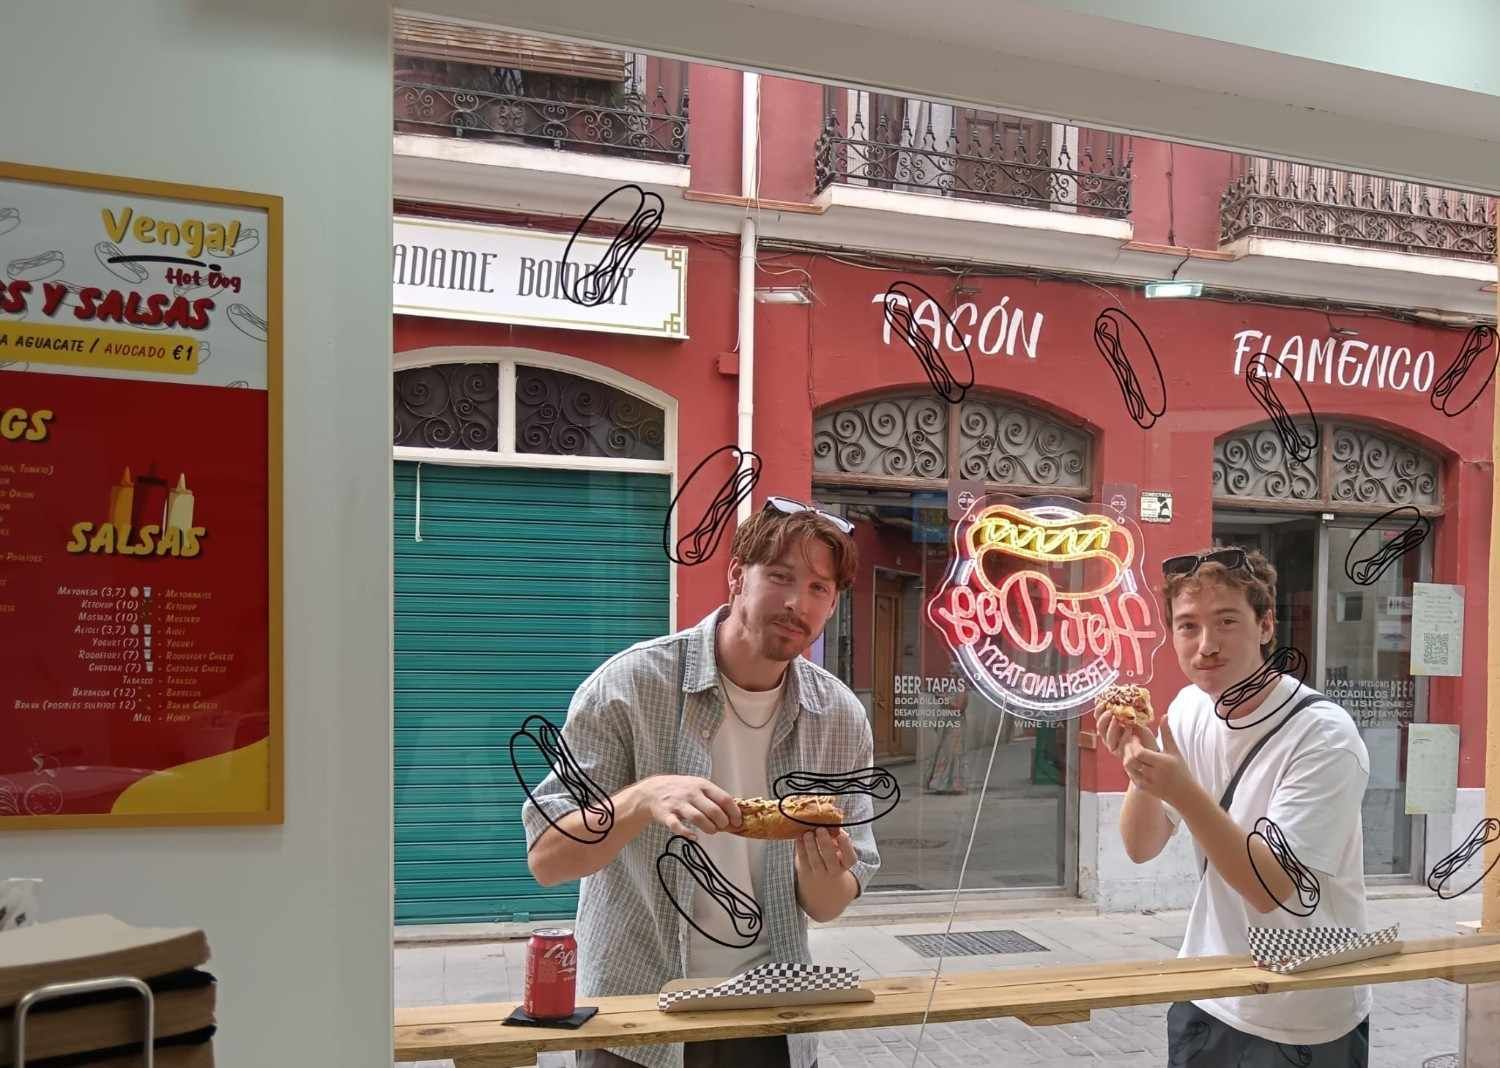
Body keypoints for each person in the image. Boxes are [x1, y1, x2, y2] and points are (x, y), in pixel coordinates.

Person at [522, 496, 880, 1068]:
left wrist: (821, 870)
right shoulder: (629, 687)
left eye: (819, 588)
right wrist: (641, 799)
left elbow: (829, 903)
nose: (796, 603)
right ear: (737, 575)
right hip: (639, 1020)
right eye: (781, 577)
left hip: (772, 1016)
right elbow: (548, 860)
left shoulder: (837, 717)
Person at [1098, 546, 1371, 1067]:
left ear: (1266, 624)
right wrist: (1140, 756)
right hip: (1209, 992)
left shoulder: (1323, 735)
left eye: (1227, 621)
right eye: (1187, 626)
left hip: (1304, 1009)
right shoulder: (1188, 708)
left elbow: (1270, 888)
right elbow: (1141, 845)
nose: (1206, 645)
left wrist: (1180, 789)